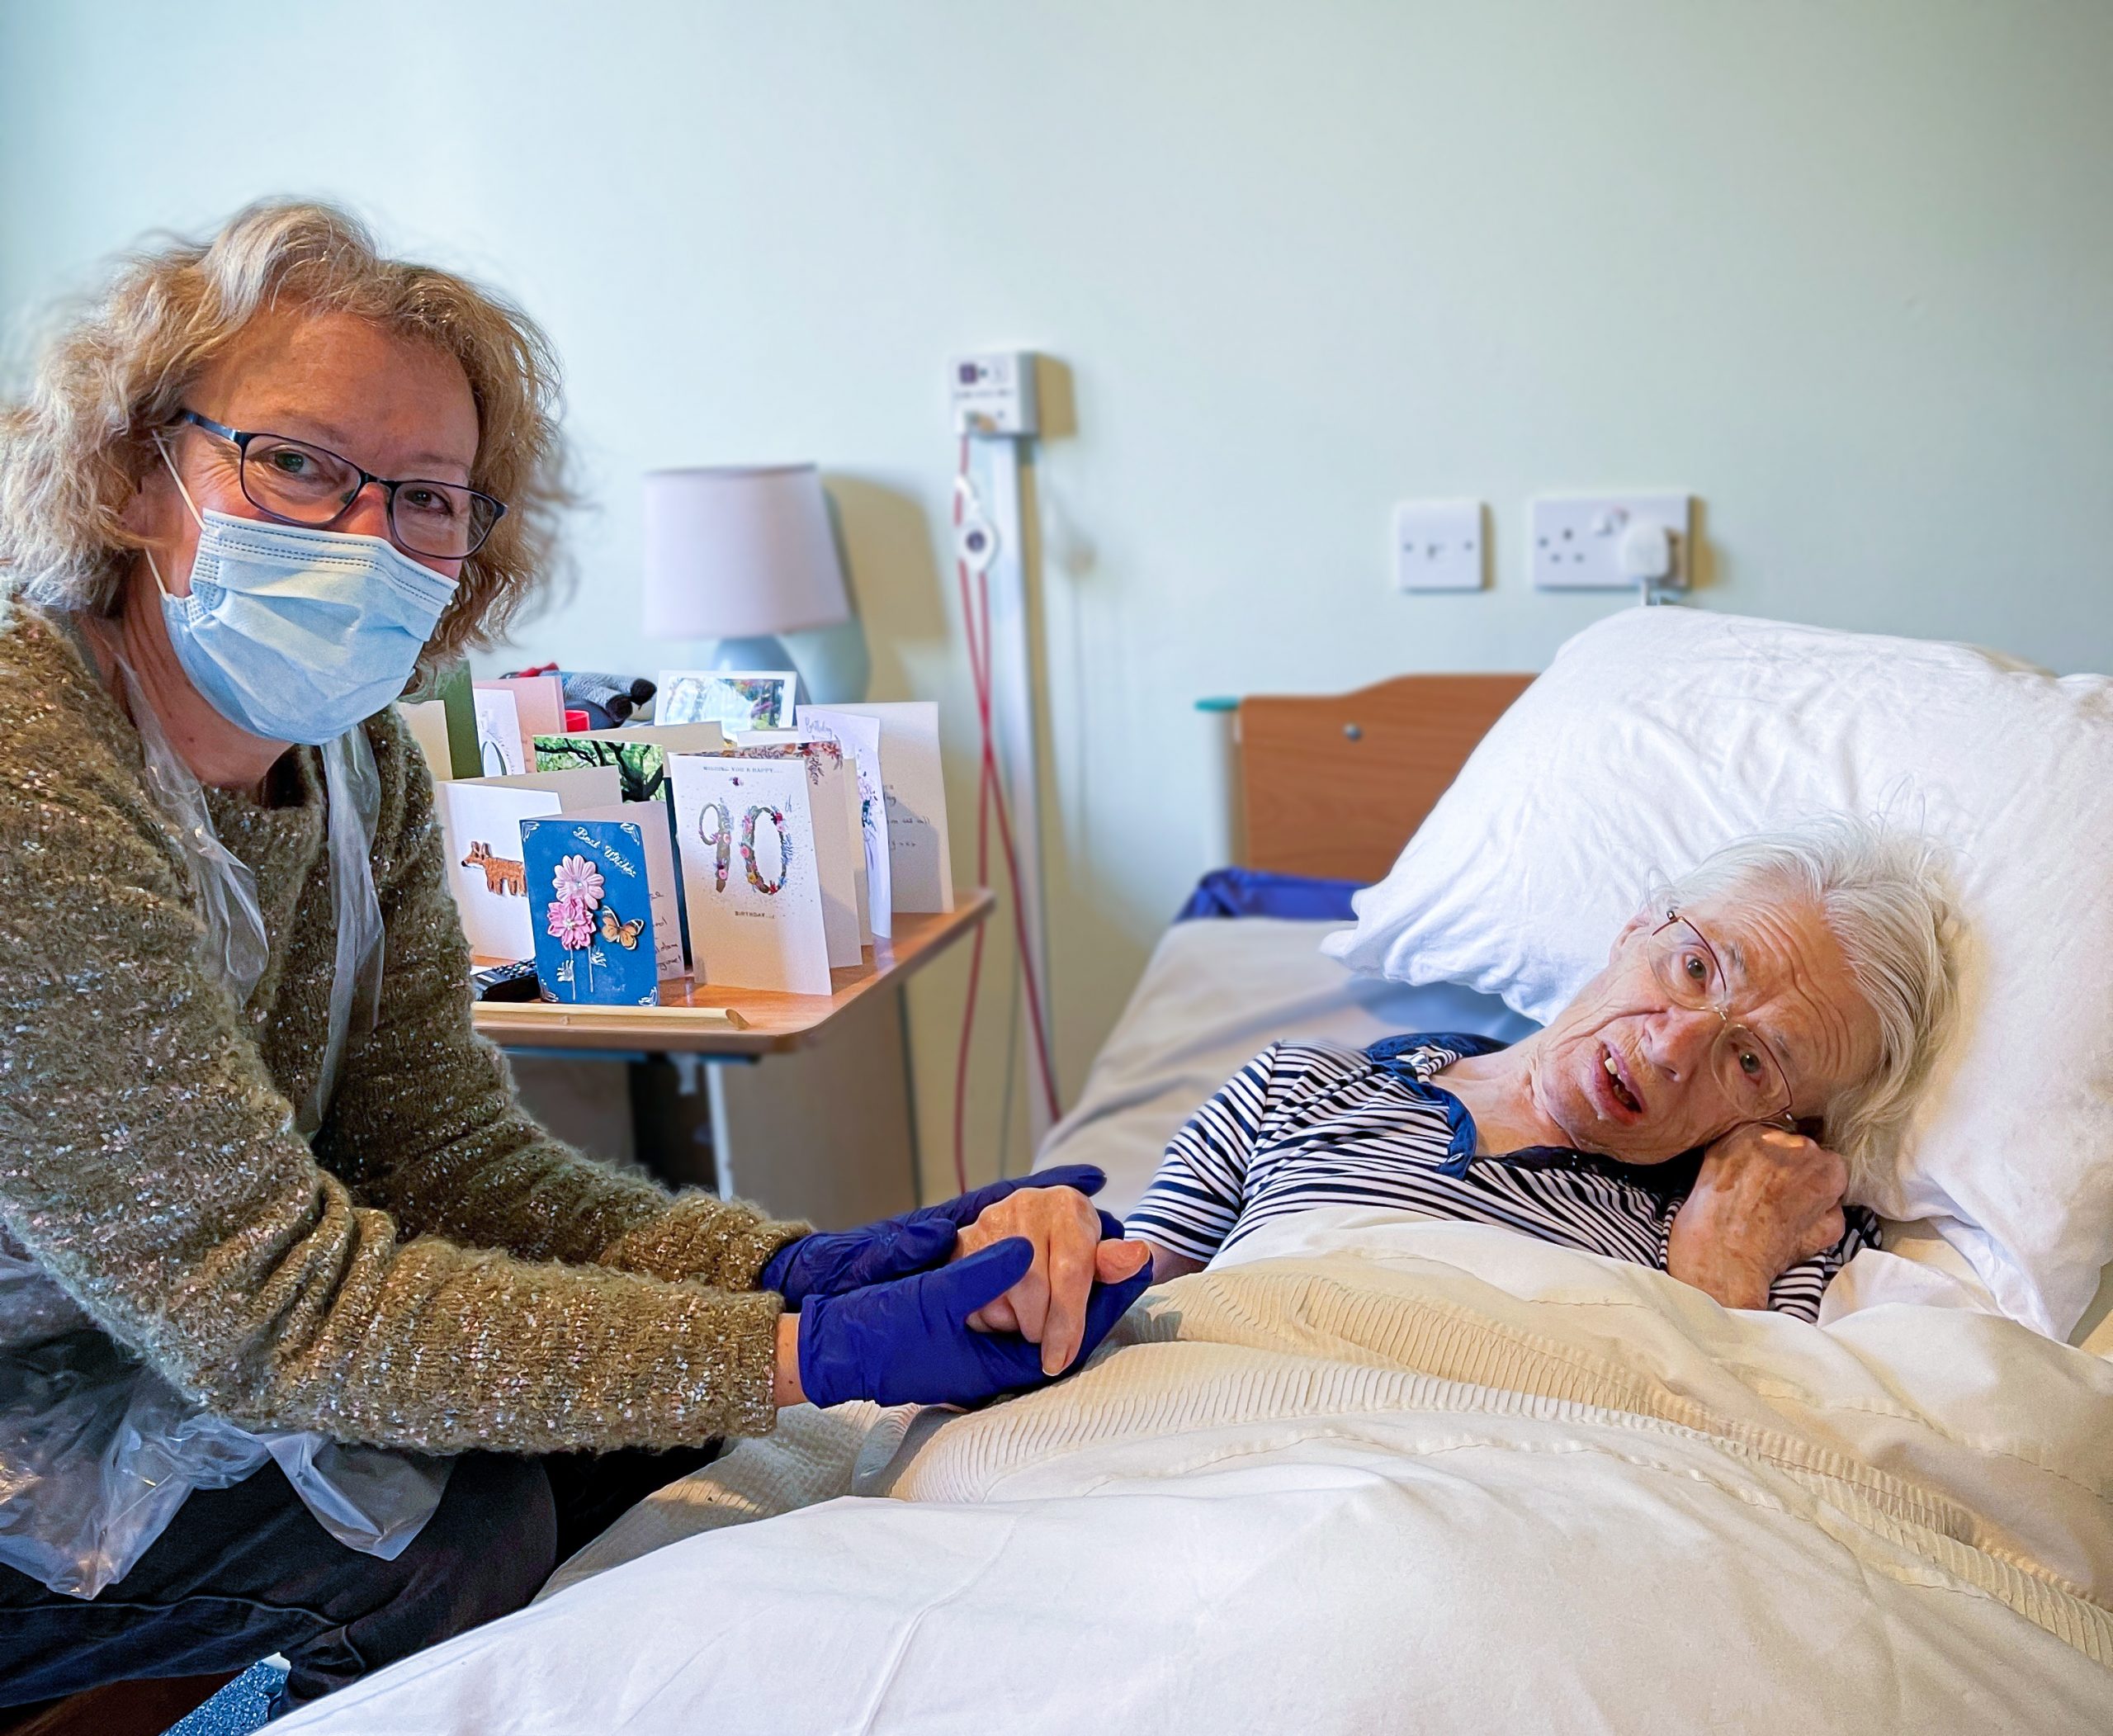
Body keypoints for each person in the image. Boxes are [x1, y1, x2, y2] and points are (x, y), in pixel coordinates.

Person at [0, 201, 1149, 1714]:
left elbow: (445, 1161)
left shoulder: (358, 769)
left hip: (150, 1344)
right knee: (452, 1536)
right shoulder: (34, 774)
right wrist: (809, 1347)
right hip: (60, 1400)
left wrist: (787, 1266)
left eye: (426, 494)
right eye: (295, 460)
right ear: (135, 472)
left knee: (624, 1423)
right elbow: (273, 1309)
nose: (368, 532)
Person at [1129, 818, 1955, 1320]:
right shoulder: (1297, 1087)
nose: (1671, 1049)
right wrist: (1044, 1273)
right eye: (1696, 969)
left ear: (1787, 1127)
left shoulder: (1778, 1239)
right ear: (1635, 929)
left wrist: (1718, 1281)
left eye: (1750, 1060)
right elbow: (1116, 1327)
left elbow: (1739, 1492)